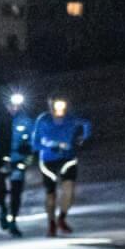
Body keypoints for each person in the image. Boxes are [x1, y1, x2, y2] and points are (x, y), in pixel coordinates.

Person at [31, 94, 94, 237]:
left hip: (68, 158)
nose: (59, 110)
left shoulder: (71, 118)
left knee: (69, 190)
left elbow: (86, 123)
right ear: (51, 106)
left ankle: (62, 218)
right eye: (56, 107)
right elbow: (34, 143)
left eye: (62, 106)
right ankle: (51, 222)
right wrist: (49, 146)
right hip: (48, 161)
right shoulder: (43, 120)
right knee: (51, 195)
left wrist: (84, 138)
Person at [0, 91, 36, 236]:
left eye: (16, 105)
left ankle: (13, 221)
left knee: (16, 191)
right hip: (1, 160)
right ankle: (3, 211)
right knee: (1, 190)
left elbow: (33, 139)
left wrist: (28, 149)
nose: (13, 108)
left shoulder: (25, 120)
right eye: (10, 105)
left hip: (18, 159)